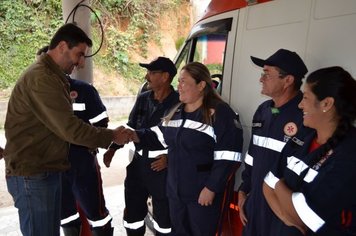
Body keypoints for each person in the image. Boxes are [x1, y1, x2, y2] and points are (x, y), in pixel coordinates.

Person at [3, 23, 128, 236]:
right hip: (33, 175)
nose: (80, 63)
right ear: (62, 46)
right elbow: (70, 129)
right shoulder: (42, 78)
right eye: (79, 55)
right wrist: (113, 137)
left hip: (45, 170)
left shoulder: (54, 78)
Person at [129, 62, 244, 235]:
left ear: (201, 85)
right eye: (179, 81)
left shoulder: (219, 113)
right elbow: (158, 136)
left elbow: (229, 157)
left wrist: (211, 188)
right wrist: (133, 135)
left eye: (183, 81)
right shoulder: (176, 111)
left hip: (202, 195)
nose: (178, 86)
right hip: (176, 193)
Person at [263, 66, 356, 235]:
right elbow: (267, 185)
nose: (300, 104)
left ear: (326, 104)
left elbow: (306, 215)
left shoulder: (349, 153)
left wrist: (279, 184)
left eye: (305, 97)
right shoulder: (302, 138)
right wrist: (285, 217)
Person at [103, 56, 179, 236]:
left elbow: (183, 139)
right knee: (133, 217)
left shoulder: (179, 102)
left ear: (165, 76)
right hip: (138, 165)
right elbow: (130, 127)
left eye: (152, 73)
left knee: (164, 220)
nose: (147, 77)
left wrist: (170, 159)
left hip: (161, 169)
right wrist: (113, 148)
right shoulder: (144, 98)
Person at [237, 49, 308, 236]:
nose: (261, 79)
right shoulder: (263, 111)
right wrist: (244, 190)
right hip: (255, 205)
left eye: (267, 74)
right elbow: (252, 157)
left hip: (283, 211)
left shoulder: (305, 116)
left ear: (288, 80)